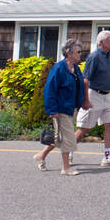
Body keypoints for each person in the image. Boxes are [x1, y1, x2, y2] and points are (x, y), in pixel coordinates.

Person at [34, 39, 88, 176]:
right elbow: (49, 90)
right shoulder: (58, 69)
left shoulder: (76, 69)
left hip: (72, 108)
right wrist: (52, 110)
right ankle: (66, 168)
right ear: (69, 53)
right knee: (68, 138)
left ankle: (41, 156)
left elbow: (80, 86)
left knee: (61, 138)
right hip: (61, 109)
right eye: (78, 52)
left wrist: (83, 102)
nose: (80, 54)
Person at [74, 30, 110, 166]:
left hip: (109, 95)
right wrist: (85, 100)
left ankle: (107, 157)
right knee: (84, 128)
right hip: (94, 94)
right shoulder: (94, 57)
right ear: (101, 42)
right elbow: (85, 79)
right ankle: (69, 152)